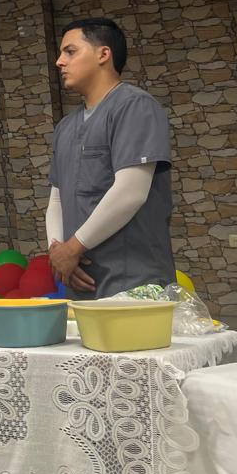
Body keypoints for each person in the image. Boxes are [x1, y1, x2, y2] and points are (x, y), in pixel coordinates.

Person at [46, 18, 174, 299]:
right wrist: (58, 252)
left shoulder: (135, 107)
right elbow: (56, 200)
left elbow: (131, 192)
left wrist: (72, 248)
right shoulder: (65, 128)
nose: (59, 61)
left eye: (70, 51)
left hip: (132, 280)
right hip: (78, 279)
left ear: (103, 54)